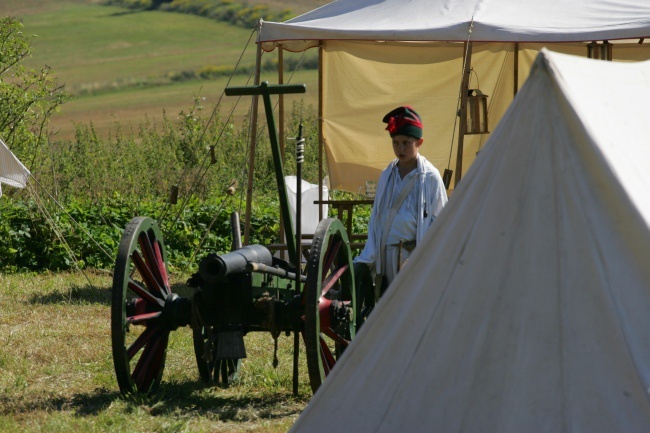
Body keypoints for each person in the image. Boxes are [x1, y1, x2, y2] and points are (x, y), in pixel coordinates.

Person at [354, 105, 448, 302]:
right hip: (386, 256)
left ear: (419, 142)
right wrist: (369, 256)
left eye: (406, 142)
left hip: (412, 257)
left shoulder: (430, 177)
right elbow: (377, 217)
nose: (400, 148)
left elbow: (440, 223)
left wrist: (419, 259)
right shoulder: (387, 174)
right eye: (396, 143)